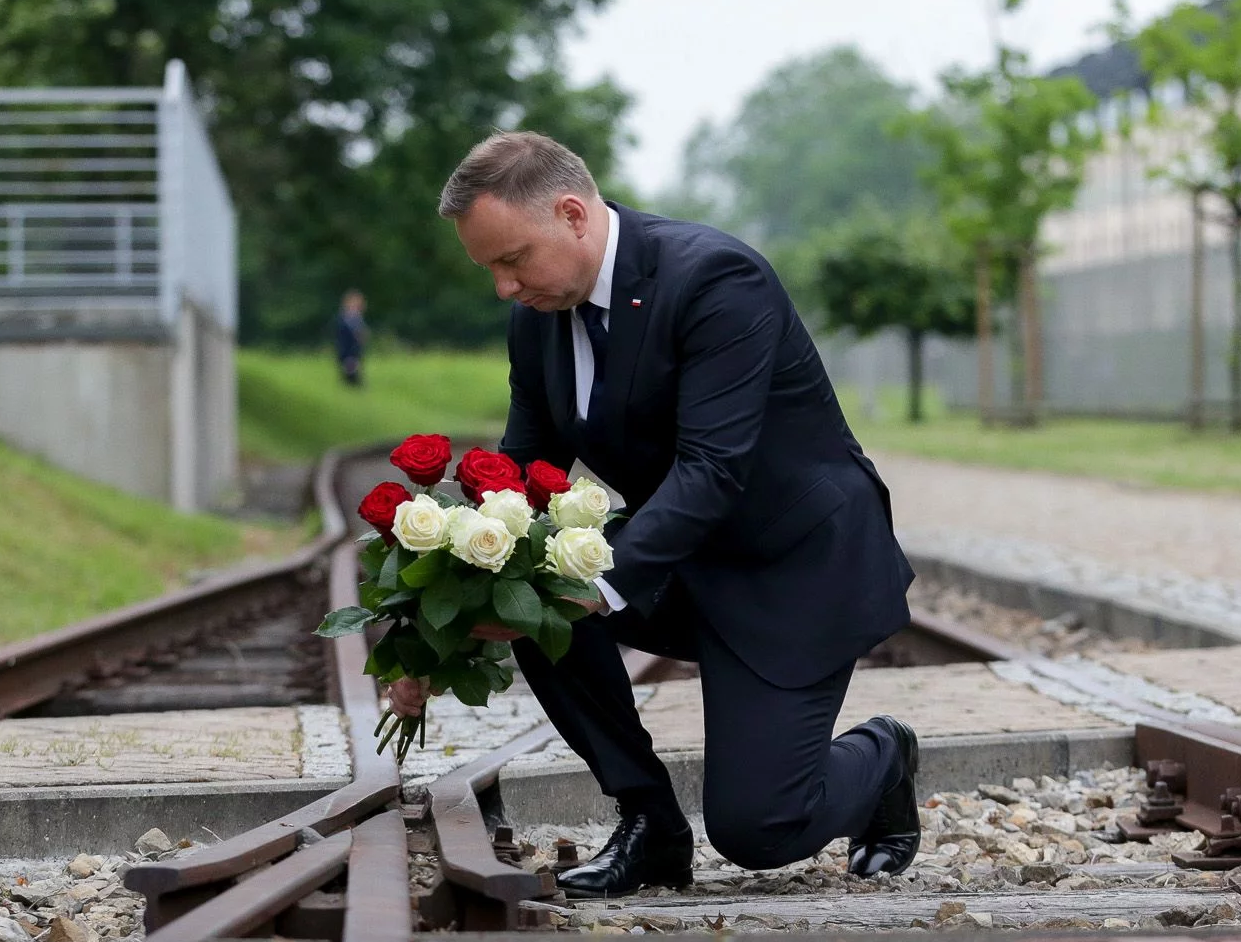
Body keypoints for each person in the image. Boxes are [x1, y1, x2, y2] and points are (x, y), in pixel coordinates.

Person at [391, 130, 918, 897]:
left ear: (573, 214)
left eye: (512, 260)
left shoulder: (715, 280)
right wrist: (434, 627)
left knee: (757, 830)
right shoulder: (538, 318)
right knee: (522, 590)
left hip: (792, 569)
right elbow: (520, 484)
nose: (504, 287)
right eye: (490, 269)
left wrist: (595, 587)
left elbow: (713, 469)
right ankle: (650, 824)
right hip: (685, 563)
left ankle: (882, 757)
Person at [334, 289, 368, 386]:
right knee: (351, 375)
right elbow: (342, 336)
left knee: (354, 373)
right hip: (347, 350)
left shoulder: (357, 318)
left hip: (355, 350)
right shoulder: (345, 318)